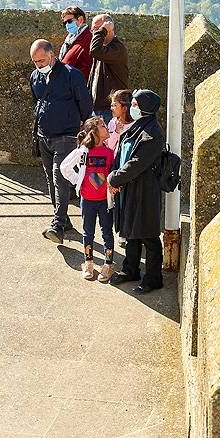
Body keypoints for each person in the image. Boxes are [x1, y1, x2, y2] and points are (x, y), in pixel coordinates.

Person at [30, 38, 94, 245]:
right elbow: (36, 101)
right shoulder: (35, 77)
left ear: (52, 54)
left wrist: (79, 124)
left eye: (41, 60)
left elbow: (85, 103)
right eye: (35, 61)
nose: (38, 65)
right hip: (44, 135)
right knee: (51, 179)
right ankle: (64, 220)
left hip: (66, 135)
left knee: (60, 178)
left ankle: (57, 225)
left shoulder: (71, 75)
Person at [107, 89, 165, 293]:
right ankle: (130, 269)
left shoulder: (153, 133)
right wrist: (116, 175)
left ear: (145, 108)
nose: (132, 108)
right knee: (130, 229)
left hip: (145, 190)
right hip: (130, 187)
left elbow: (138, 162)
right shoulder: (137, 126)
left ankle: (153, 278)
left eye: (134, 105)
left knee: (148, 235)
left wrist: (115, 178)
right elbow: (121, 152)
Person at [61, 116, 116, 282]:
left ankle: (108, 263)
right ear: (94, 131)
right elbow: (65, 167)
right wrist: (79, 181)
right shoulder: (83, 151)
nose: (106, 127)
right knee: (88, 232)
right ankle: (88, 262)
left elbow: (112, 174)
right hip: (88, 200)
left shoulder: (110, 152)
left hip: (105, 201)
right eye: (102, 125)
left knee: (107, 232)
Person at [87, 14, 130, 112]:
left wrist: (102, 30)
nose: (94, 33)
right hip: (97, 106)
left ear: (108, 28)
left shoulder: (117, 49)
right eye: (93, 30)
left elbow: (94, 51)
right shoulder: (102, 48)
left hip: (110, 108)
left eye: (97, 29)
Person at [58, 6, 93, 83]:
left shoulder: (89, 37)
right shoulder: (70, 39)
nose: (67, 25)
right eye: (65, 23)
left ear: (80, 19)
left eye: (69, 21)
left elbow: (88, 64)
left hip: (78, 84)